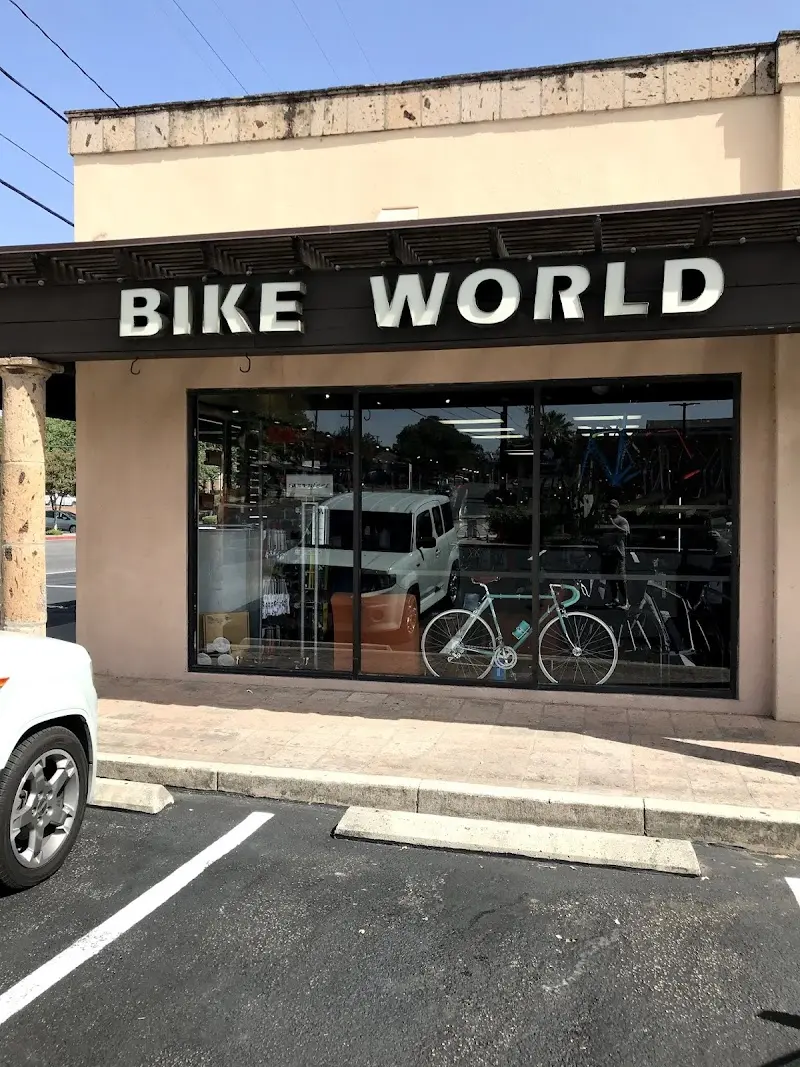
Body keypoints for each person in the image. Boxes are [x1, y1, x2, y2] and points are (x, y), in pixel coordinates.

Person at [599, 498, 630, 609]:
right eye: (609, 508)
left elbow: (625, 532)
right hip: (608, 553)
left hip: (618, 553)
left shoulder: (622, 521)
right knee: (611, 578)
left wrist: (612, 524)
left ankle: (626, 602)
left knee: (621, 578)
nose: (611, 511)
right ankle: (615, 599)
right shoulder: (605, 521)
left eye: (613, 509)